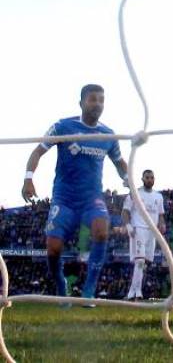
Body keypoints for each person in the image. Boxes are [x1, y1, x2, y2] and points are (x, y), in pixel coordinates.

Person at [22, 84, 129, 304]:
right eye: (92, 99)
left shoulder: (108, 135)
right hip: (65, 199)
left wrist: (128, 180)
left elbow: (119, 163)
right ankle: (62, 288)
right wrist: (28, 178)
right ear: (81, 103)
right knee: (53, 248)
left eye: (101, 99)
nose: (97, 103)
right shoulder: (63, 127)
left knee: (101, 231)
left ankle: (89, 292)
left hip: (92, 199)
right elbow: (38, 151)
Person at [122, 169, 166, 300]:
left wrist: (162, 224)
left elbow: (161, 214)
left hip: (152, 231)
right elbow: (125, 211)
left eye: (152, 177)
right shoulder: (135, 193)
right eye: (147, 177)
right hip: (139, 229)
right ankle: (138, 293)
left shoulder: (159, 196)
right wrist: (129, 226)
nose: (150, 180)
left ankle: (131, 292)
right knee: (140, 260)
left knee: (143, 263)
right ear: (142, 179)